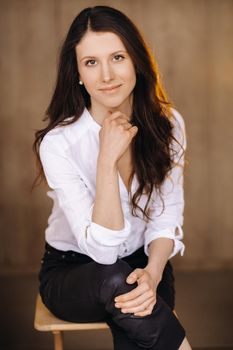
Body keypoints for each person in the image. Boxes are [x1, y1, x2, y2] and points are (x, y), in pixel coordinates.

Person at [33, 5, 192, 350]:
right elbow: (103, 255)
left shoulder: (169, 124)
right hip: (73, 272)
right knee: (117, 281)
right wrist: (106, 160)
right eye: (91, 62)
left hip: (143, 262)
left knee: (135, 300)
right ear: (77, 73)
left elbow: (166, 217)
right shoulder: (59, 144)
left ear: (136, 60)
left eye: (117, 57)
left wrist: (153, 272)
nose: (106, 75)